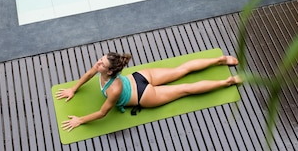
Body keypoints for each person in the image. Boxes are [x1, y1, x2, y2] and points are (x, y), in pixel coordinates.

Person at [56, 52, 241, 131]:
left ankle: (226, 78)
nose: (97, 64)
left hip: (145, 95)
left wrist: (80, 120)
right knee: (180, 72)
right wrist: (73, 89)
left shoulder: (114, 89)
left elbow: (102, 113)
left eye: (101, 63)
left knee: (185, 88)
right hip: (138, 77)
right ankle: (220, 64)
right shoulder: (101, 69)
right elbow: (89, 74)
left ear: (110, 71)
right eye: (100, 60)